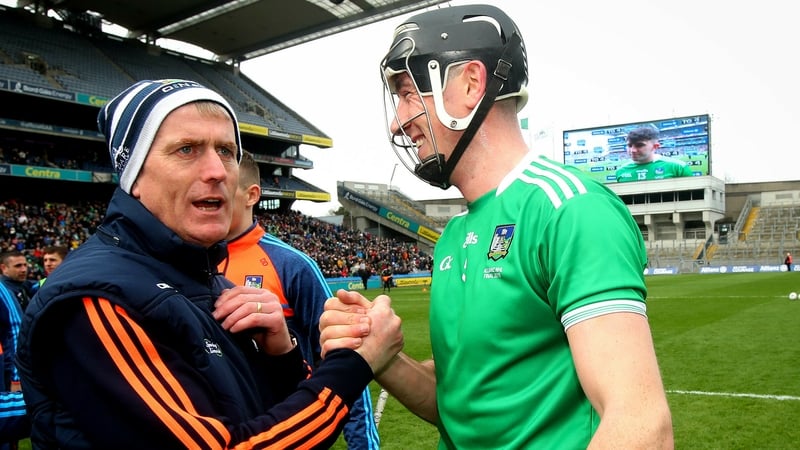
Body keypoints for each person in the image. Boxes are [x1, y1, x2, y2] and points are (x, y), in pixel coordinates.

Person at [321, 5, 673, 449]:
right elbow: (459, 403)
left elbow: (641, 425)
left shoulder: (569, 209)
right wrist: (380, 355)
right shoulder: (452, 234)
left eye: (409, 93)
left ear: (470, 83)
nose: (398, 122)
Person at [16, 78, 403, 449]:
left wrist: (281, 356)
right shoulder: (96, 300)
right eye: (187, 149)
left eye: (226, 151)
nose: (218, 171)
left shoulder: (203, 277)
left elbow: (276, 425)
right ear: (134, 174)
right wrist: (354, 363)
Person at [219, 150, 380, 449]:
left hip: (287, 435)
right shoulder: (188, 262)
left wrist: (364, 446)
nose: (211, 192)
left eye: (223, 184)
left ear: (251, 194)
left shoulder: (291, 265)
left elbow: (344, 359)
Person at [615, 125, 694, 182]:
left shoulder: (679, 167)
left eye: (639, 145)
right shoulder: (620, 171)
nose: (632, 150)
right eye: (629, 145)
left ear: (655, 146)